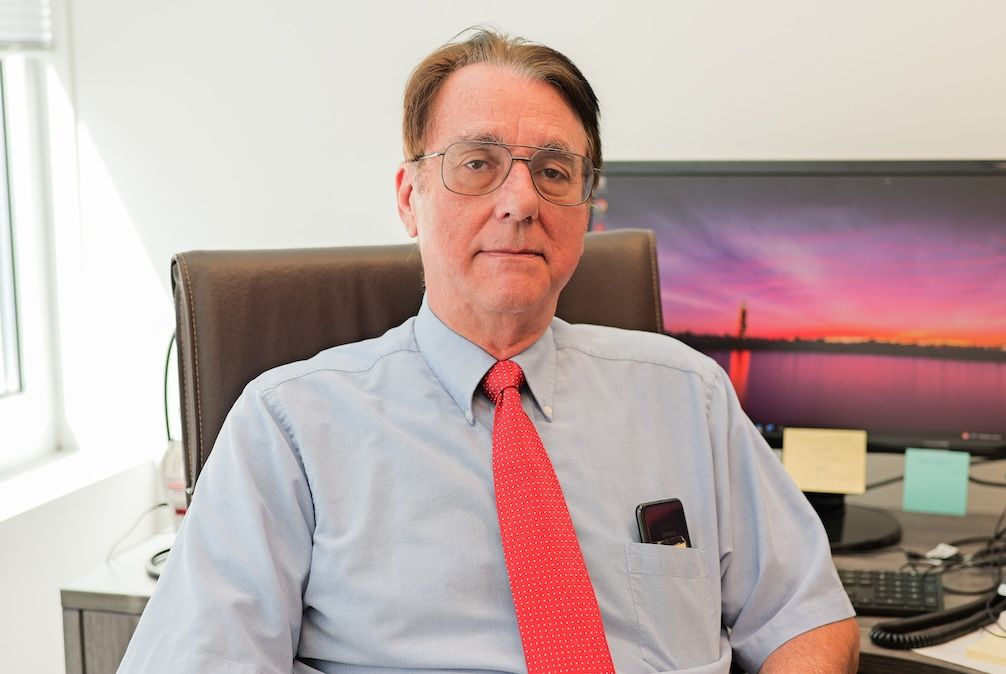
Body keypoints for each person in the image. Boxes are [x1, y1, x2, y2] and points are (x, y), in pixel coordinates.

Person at [118, 28, 859, 673]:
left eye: (554, 171)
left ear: (587, 212)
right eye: (477, 164)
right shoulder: (288, 429)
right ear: (410, 196)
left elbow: (807, 617)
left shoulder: (687, 397)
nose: (522, 200)